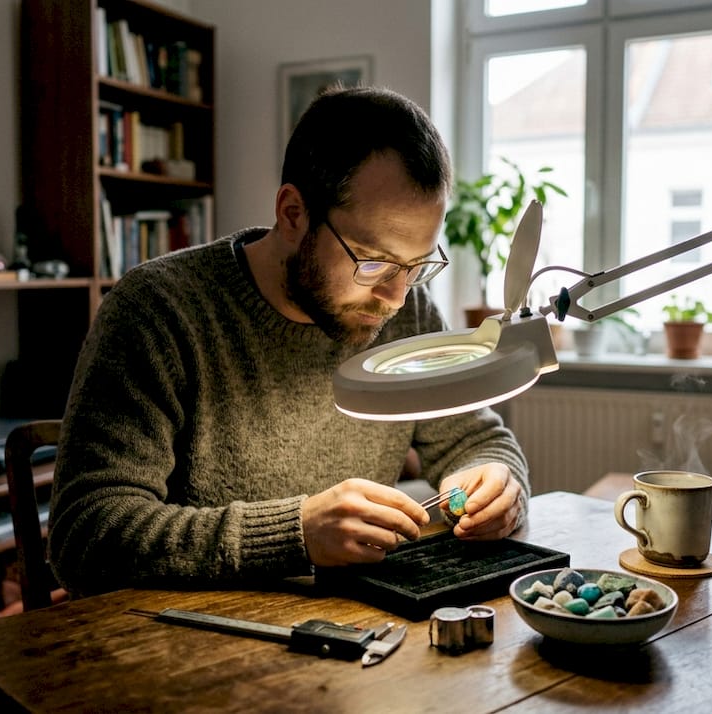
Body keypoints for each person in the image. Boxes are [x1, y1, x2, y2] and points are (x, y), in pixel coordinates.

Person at [49, 86, 529, 595]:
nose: (393, 296)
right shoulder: (160, 310)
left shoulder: (408, 309)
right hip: (184, 640)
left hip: (348, 632)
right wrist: (295, 533)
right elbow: (85, 534)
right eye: (373, 261)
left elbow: (477, 439)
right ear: (293, 213)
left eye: (417, 265)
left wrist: (495, 481)